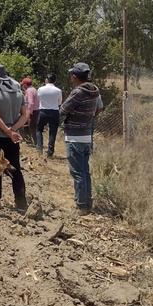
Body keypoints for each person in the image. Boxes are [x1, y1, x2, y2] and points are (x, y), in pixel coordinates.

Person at [0, 64, 29, 211]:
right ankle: (21, 201)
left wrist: (8, 132)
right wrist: (13, 130)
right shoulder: (17, 92)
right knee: (15, 169)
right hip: (12, 138)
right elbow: (25, 114)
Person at [61, 62, 101, 215]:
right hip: (86, 135)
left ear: (75, 76)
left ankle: (81, 206)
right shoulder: (94, 91)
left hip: (74, 136)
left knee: (77, 172)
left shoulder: (78, 92)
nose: (70, 77)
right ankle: (87, 203)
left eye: (72, 74)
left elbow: (64, 109)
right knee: (85, 171)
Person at [37, 74, 63, 157]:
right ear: (55, 81)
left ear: (46, 80)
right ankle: (50, 152)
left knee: (39, 130)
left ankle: (39, 149)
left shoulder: (40, 89)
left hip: (43, 111)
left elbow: (38, 100)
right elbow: (59, 102)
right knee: (53, 132)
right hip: (54, 112)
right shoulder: (58, 90)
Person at [20, 77, 39, 148]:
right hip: (34, 111)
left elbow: (30, 103)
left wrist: (28, 113)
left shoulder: (29, 91)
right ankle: (32, 142)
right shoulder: (33, 89)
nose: (22, 86)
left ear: (25, 84)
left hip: (31, 111)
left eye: (22, 84)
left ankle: (35, 143)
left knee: (30, 127)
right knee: (30, 127)